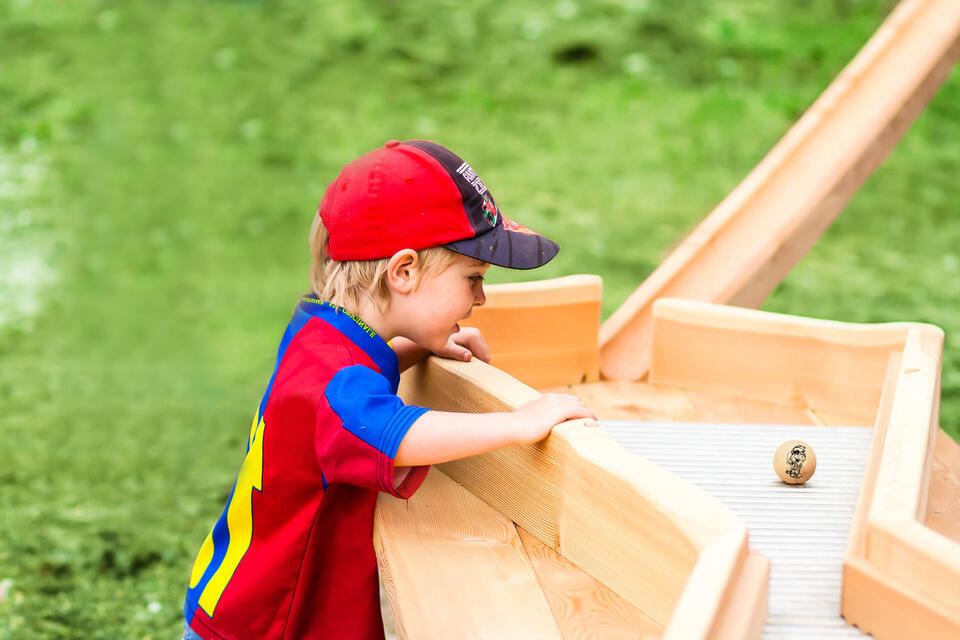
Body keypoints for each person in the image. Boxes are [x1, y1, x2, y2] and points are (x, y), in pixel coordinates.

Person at [181, 139, 596, 640]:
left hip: (236, 597)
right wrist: (521, 422)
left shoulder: (319, 333)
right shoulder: (339, 386)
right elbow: (395, 434)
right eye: (472, 278)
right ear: (403, 272)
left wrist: (415, 348)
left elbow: (344, 399)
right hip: (269, 625)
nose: (481, 297)